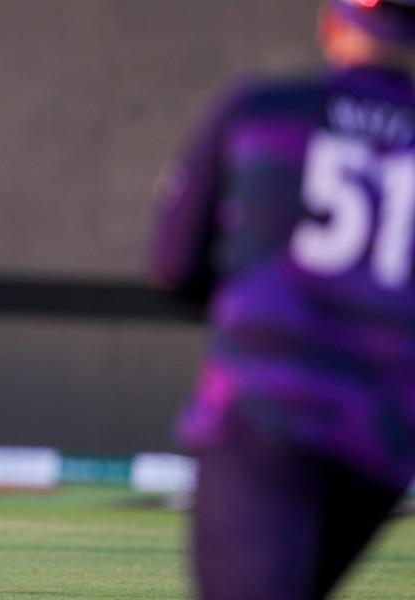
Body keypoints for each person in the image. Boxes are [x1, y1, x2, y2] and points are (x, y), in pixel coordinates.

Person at [151, 1, 415, 598]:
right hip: (380, 435)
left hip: (265, 415)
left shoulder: (263, 110)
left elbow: (174, 264)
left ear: (332, 22)